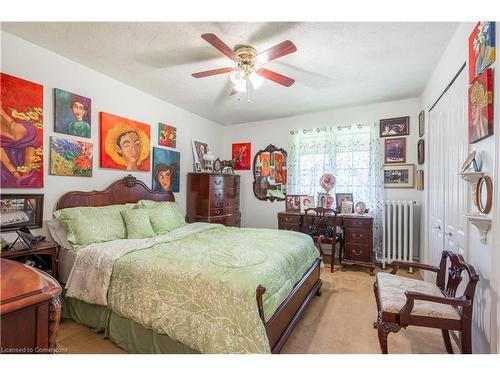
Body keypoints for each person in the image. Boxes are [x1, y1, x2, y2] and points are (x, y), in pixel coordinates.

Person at [0, 107, 39, 187]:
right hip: (8, 171)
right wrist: (18, 177)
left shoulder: (28, 127)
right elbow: (7, 163)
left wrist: (25, 176)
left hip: (26, 167)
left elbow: (29, 157)